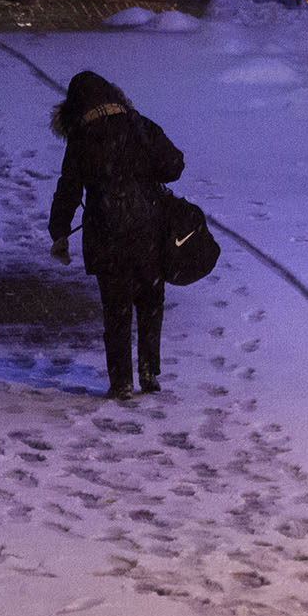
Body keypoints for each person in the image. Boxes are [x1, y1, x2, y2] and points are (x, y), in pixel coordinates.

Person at [48, 71, 185, 399]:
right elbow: (174, 166)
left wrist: (59, 232)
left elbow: (68, 189)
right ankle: (150, 371)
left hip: (106, 237)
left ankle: (121, 381)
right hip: (148, 232)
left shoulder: (81, 139)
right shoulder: (140, 126)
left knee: (116, 310)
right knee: (152, 302)